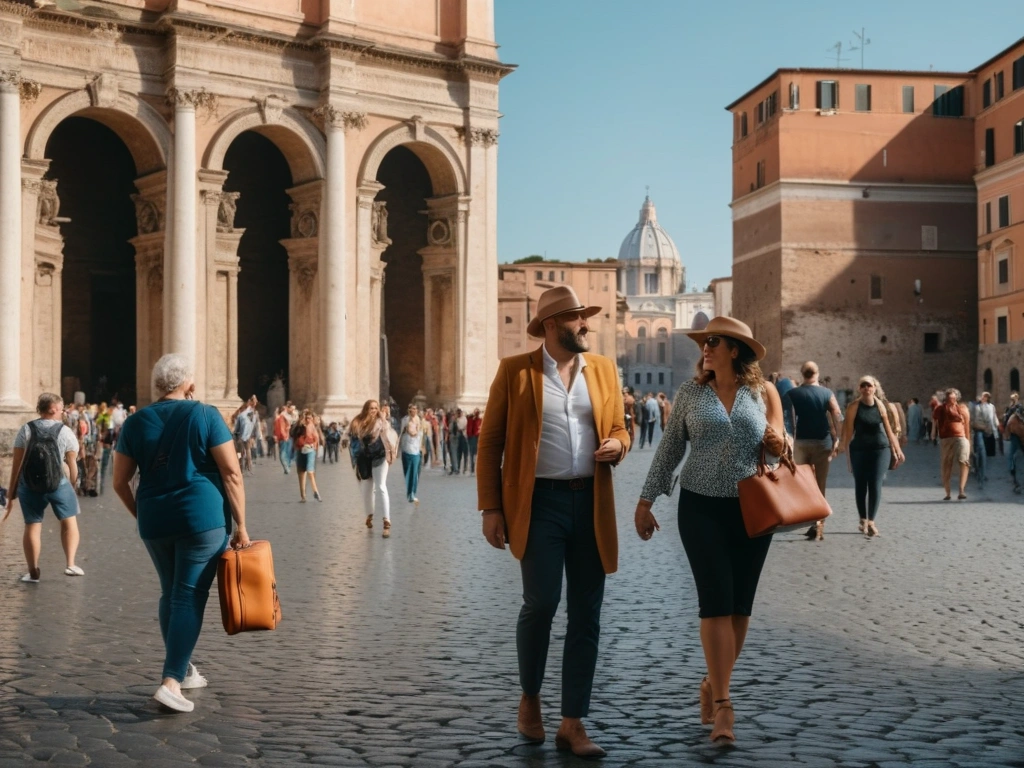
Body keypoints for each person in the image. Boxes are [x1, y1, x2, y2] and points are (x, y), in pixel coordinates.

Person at [477, 285, 629, 758]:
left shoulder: (603, 369)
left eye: (586, 318)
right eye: (577, 318)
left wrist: (619, 445)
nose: (587, 325)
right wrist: (491, 508)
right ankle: (529, 698)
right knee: (540, 604)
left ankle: (572, 722)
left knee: (587, 616)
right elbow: (490, 444)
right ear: (550, 325)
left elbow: (621, 426)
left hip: (590, 502)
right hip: (538, 504)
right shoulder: (515, 372)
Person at [634, 316, 785, 746]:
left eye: (713, 341)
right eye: (703, 342)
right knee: (715, 604)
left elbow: (782, 444)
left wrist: (779, 444)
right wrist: (646, 501)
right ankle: (723, 705)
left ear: (735, 349)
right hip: (700, 508)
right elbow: (669, 450)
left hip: (753, 508)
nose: (705, 348)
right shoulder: (689, 394)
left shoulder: (764, 392)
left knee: (739, 609)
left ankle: (710, 682)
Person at [111, 353, 250, 713]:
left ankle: (184, 668)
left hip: (154, 521)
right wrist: (242, 526)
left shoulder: (135, 422)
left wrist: (141, 514)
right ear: (189, 385)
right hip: (201, 518)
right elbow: (232, 473)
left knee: (171, 592)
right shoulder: (205, 415)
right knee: (188, 596)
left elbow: (119, 482)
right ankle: (172, 681)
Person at [3, 393, 85, 582]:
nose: (63, 410)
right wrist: (72, 487)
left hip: (29, 484)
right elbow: (72, 465)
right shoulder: (65, 431)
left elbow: (17, 463)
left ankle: (32, 571)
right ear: (54, 409)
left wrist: (12, 490)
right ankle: (70, 564)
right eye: (62, 406)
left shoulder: (26, 429)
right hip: (59, 484)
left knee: (32, 525)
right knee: (69, 522)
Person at [784, 361, 843, 540]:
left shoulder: (792, 393)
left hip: (801, 442)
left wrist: (788, 438)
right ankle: (818, 523)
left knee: (804, 484)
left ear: (802, 374)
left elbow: (785, 417)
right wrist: (838, 439)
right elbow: (837, 414)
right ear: (817, 373)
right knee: (819, 484)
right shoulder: (827, 393)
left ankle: (810, 520)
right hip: (822, 443)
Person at [839, 376, 905, 536]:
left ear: (875, 388)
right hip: (859, 450)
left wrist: (897, 450)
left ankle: (871, 521)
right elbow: (848, 432)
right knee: (861, 484)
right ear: (859, 388)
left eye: (869, 385)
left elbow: (889, 431)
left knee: (876, 483)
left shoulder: (881, 406)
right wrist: (839, 448)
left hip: (880, 449)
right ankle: (862, 518)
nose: (866, 388)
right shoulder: (853, 407)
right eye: (863, 385)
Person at [350, 400, 396, 537]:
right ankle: (370, 515)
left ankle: (386, 521)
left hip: (380, 456)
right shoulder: (358, 423)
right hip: (365, 458)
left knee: (381, 486)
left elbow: (388, 434)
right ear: (366, 409)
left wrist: (383, 417)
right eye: (371, 408)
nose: (374, 410)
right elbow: (353, 441)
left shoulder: (382, 423)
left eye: (376, 408)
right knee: (367, 489)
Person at [932, 388, 971, 501]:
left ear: (957, 398)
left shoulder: (962, 409)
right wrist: (933, 432)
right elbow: (935, 421)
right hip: (946, 438)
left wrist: (968, 440)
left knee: (963, 460)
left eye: (953, 398)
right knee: (946, 463)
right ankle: (948, 492)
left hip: (961, 437)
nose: (951, 400)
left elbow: (967, 425)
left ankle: (961, 490)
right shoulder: (940, 409)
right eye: (949, 398)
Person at [969, 392, 999, 487]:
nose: (981, 398)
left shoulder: (991, 407)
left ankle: (981, 472)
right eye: (982, 396)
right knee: (981, 453)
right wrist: (982, 427)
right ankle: (980, 474)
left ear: (987, 398)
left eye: (984, 396)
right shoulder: (977, 407)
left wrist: (997, 430)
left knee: (986, 454)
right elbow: (975, 421)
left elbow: (994, 418)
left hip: (989, 432)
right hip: (979, 431)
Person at [293, 409, 322, 502]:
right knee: (301, 473)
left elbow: (317, 438)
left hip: (310, 450)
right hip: (300, 449)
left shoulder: (313, 426)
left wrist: (316, 448)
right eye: (305, 417)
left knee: (310, 471)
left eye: (309, 417)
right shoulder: (298, 426)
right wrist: (299, 422)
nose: (307, 419)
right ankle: (303, 496)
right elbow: (292, 433)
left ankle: (315, 491)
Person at [400, 405, 424, 504]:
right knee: (407, 472)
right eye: (411, 409)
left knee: (415, 473)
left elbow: (422, 435)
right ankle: (409, 492)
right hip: (406, 449)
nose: (412, 410)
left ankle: (412, 493)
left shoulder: (420, 421)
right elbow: (400, 433)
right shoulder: (405, 420)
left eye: (414, 409)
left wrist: (422, 447)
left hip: (416, 451)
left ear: (417, 410)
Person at [466, 408, 482, 473]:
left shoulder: (479, 420)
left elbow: (479, 428)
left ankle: (475, 468)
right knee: (472, 454)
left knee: (475, 454)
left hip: (476, 437)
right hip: (473, 437)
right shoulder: (471, 420)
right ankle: (472, 468)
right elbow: (469, 428)